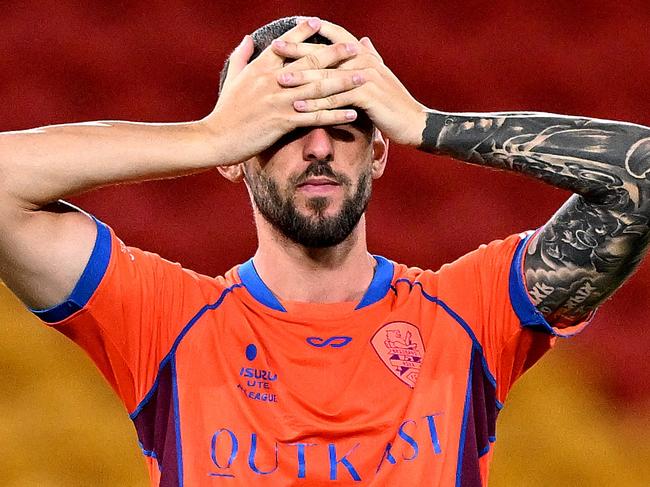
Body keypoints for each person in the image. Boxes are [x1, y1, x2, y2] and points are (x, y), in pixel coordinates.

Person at [0, 14, 648, 486]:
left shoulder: (470, 313)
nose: (318, 149)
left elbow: (638, 178)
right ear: (238, 159)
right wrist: (206, 135)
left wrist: (428, 123)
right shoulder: (166, 321)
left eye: (345, 125)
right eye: (285, 128)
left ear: (380, 149)